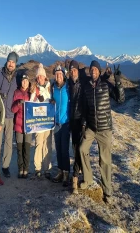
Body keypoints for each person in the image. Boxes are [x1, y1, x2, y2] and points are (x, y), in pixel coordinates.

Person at [79, 61, 125, 204]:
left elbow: (120, 99)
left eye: (95, 69)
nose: (93, 71)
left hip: (105, 129)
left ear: (99, 72)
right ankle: (88, 179)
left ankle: (107, 191)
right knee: (82, 149)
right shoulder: (87, 87)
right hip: (91, 128)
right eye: (91, 69)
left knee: (105, 160)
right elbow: (85, 107)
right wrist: (84, 121)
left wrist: (118, 83)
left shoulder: (106, 85)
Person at [0, 51, 19, 178]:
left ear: (16, 64)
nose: (11, 64)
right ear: (6, 62)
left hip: (11, 114)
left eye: (13, 62)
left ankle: (5, 166)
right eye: (9, 61)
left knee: (9, 141)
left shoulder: (17, 77)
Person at [30, 63, 52, 179]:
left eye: (41, 76)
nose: (40, 78)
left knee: (47, 145)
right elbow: (30, 105)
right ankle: (37, 168)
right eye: (38, 76)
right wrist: (36, 101)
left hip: (48, 121)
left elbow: (54, 101)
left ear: (45, 77)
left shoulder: (50, 88)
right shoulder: (35, 90)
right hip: (39, 122)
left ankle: (47, 168)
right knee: (39, 144)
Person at [51, 64, 70, 187]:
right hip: (56, 123)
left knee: (64, 149)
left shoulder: (68, 87)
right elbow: (50, 99)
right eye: (57, 74)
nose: (58, 76)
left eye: (60, 74)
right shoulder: (53, 88)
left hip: (66, 123)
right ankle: (60, 171)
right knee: (58, 149)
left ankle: (66, 172)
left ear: (64, 75)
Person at [67, 60, 85, 194]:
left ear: (78, 71)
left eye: (74, 70)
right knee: (75, 149)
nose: (73, 72)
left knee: (80, 149)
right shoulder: (68, 84)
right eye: (71, 70)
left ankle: (75, 177)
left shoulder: (83, 83)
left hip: (81, 121)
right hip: (72, 121)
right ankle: (81, 173)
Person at [11, 73, 32, 178]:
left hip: (29, 126)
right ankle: (20, 169)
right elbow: (13, 110)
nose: (25, 83)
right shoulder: (16, 93)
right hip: (19, 126)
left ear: (29, 83)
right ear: (21, 82)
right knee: (19, 149)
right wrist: (18, 103)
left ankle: (26, 169)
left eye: (27, 81)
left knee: (27, 149)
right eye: (23, 81)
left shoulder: (31, 94)